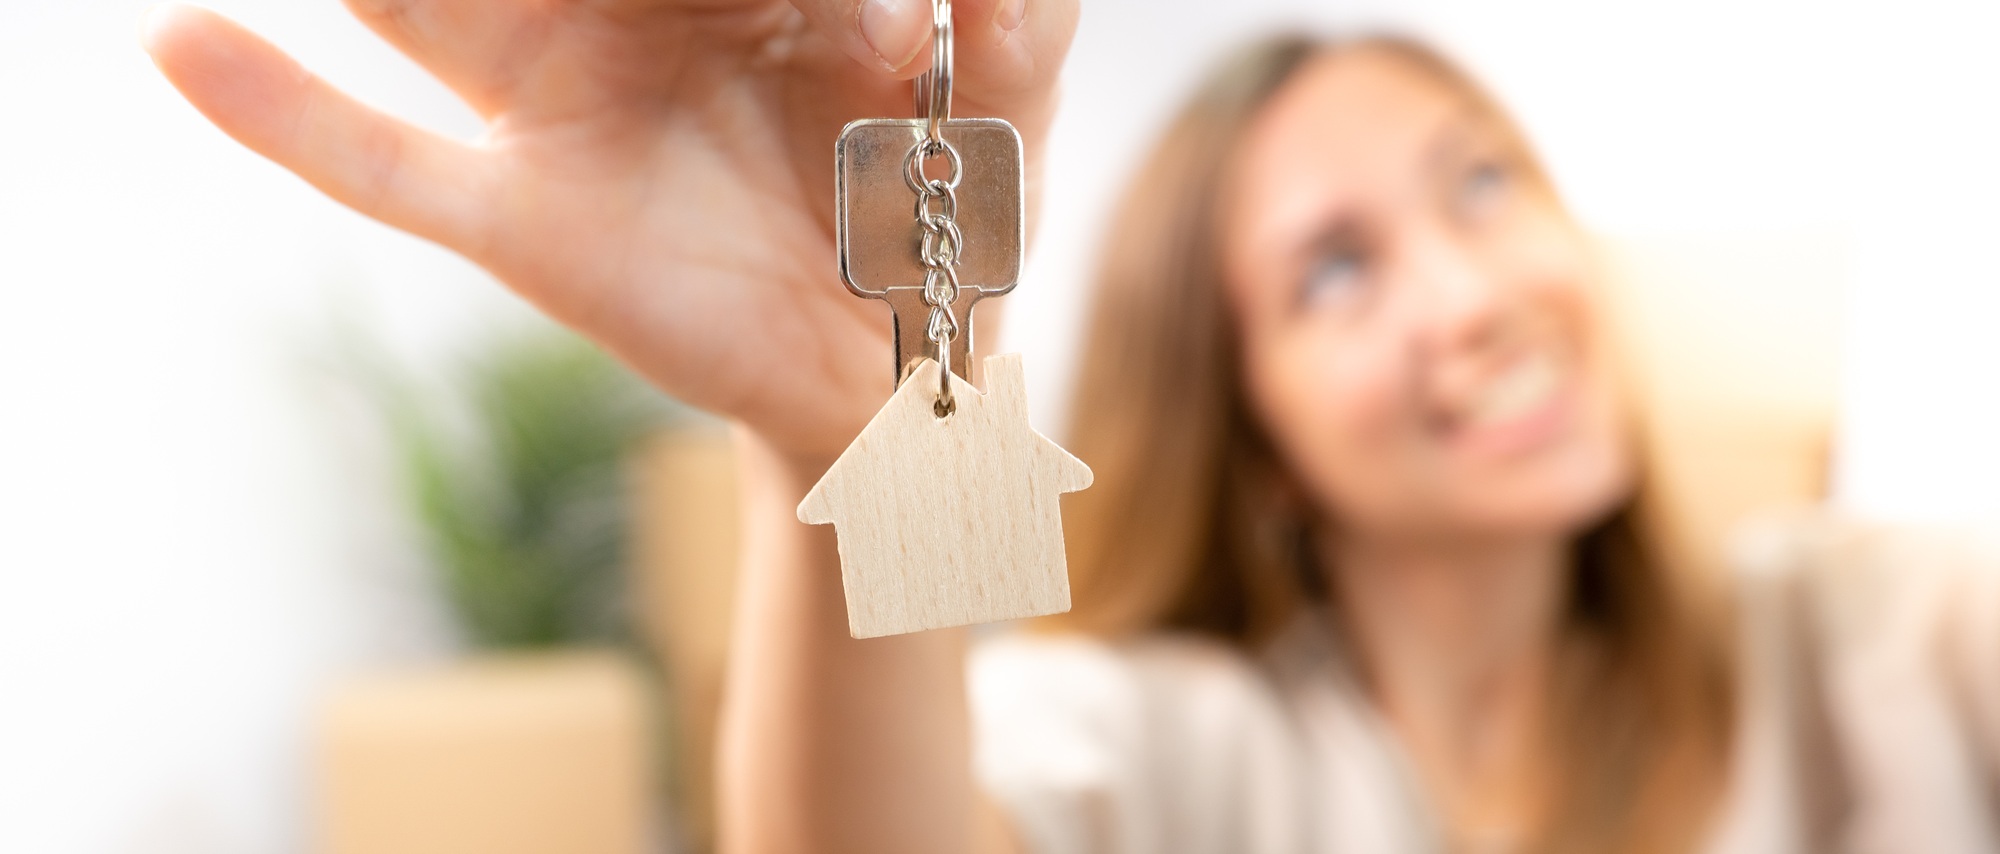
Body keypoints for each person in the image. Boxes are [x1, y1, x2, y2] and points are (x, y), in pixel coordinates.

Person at [143, 3, 1998, 852]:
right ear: (1247, 422)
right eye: (1337, 272)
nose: (1470, 292)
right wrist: (839, 437)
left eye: (1484, 183)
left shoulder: (1885, 631)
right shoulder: (1159, 742)